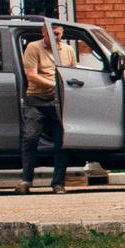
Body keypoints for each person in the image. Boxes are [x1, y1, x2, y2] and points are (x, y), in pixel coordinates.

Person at [19, 27, 82, 191]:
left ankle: (58, 183)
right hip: (36, 99)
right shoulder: (33, 47)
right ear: (43, 33)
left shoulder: (68, 50)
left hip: (59, 102)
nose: (55, 37)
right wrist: (56, 86)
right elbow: (31, 75)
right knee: (30, 138)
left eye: (58, 33)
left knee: (62, 142)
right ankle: (26, 181)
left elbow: (72, 74)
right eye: (51, 33)